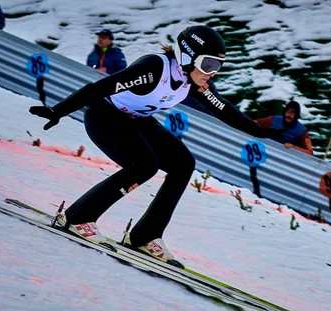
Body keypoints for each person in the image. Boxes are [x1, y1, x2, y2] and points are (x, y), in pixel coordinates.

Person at [29, 25, 284, 262]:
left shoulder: (196, 82)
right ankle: (76, 218)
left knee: (183, 164)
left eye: (218, 65)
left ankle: (144, 235)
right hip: (103, 115)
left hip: (136, 119)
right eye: (208, 63)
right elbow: (99, 88)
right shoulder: (153, 69)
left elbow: (224, 110)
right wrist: (58, 111)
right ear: (187, 57)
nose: (212, 72)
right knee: (144, 165)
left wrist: (260, 132)